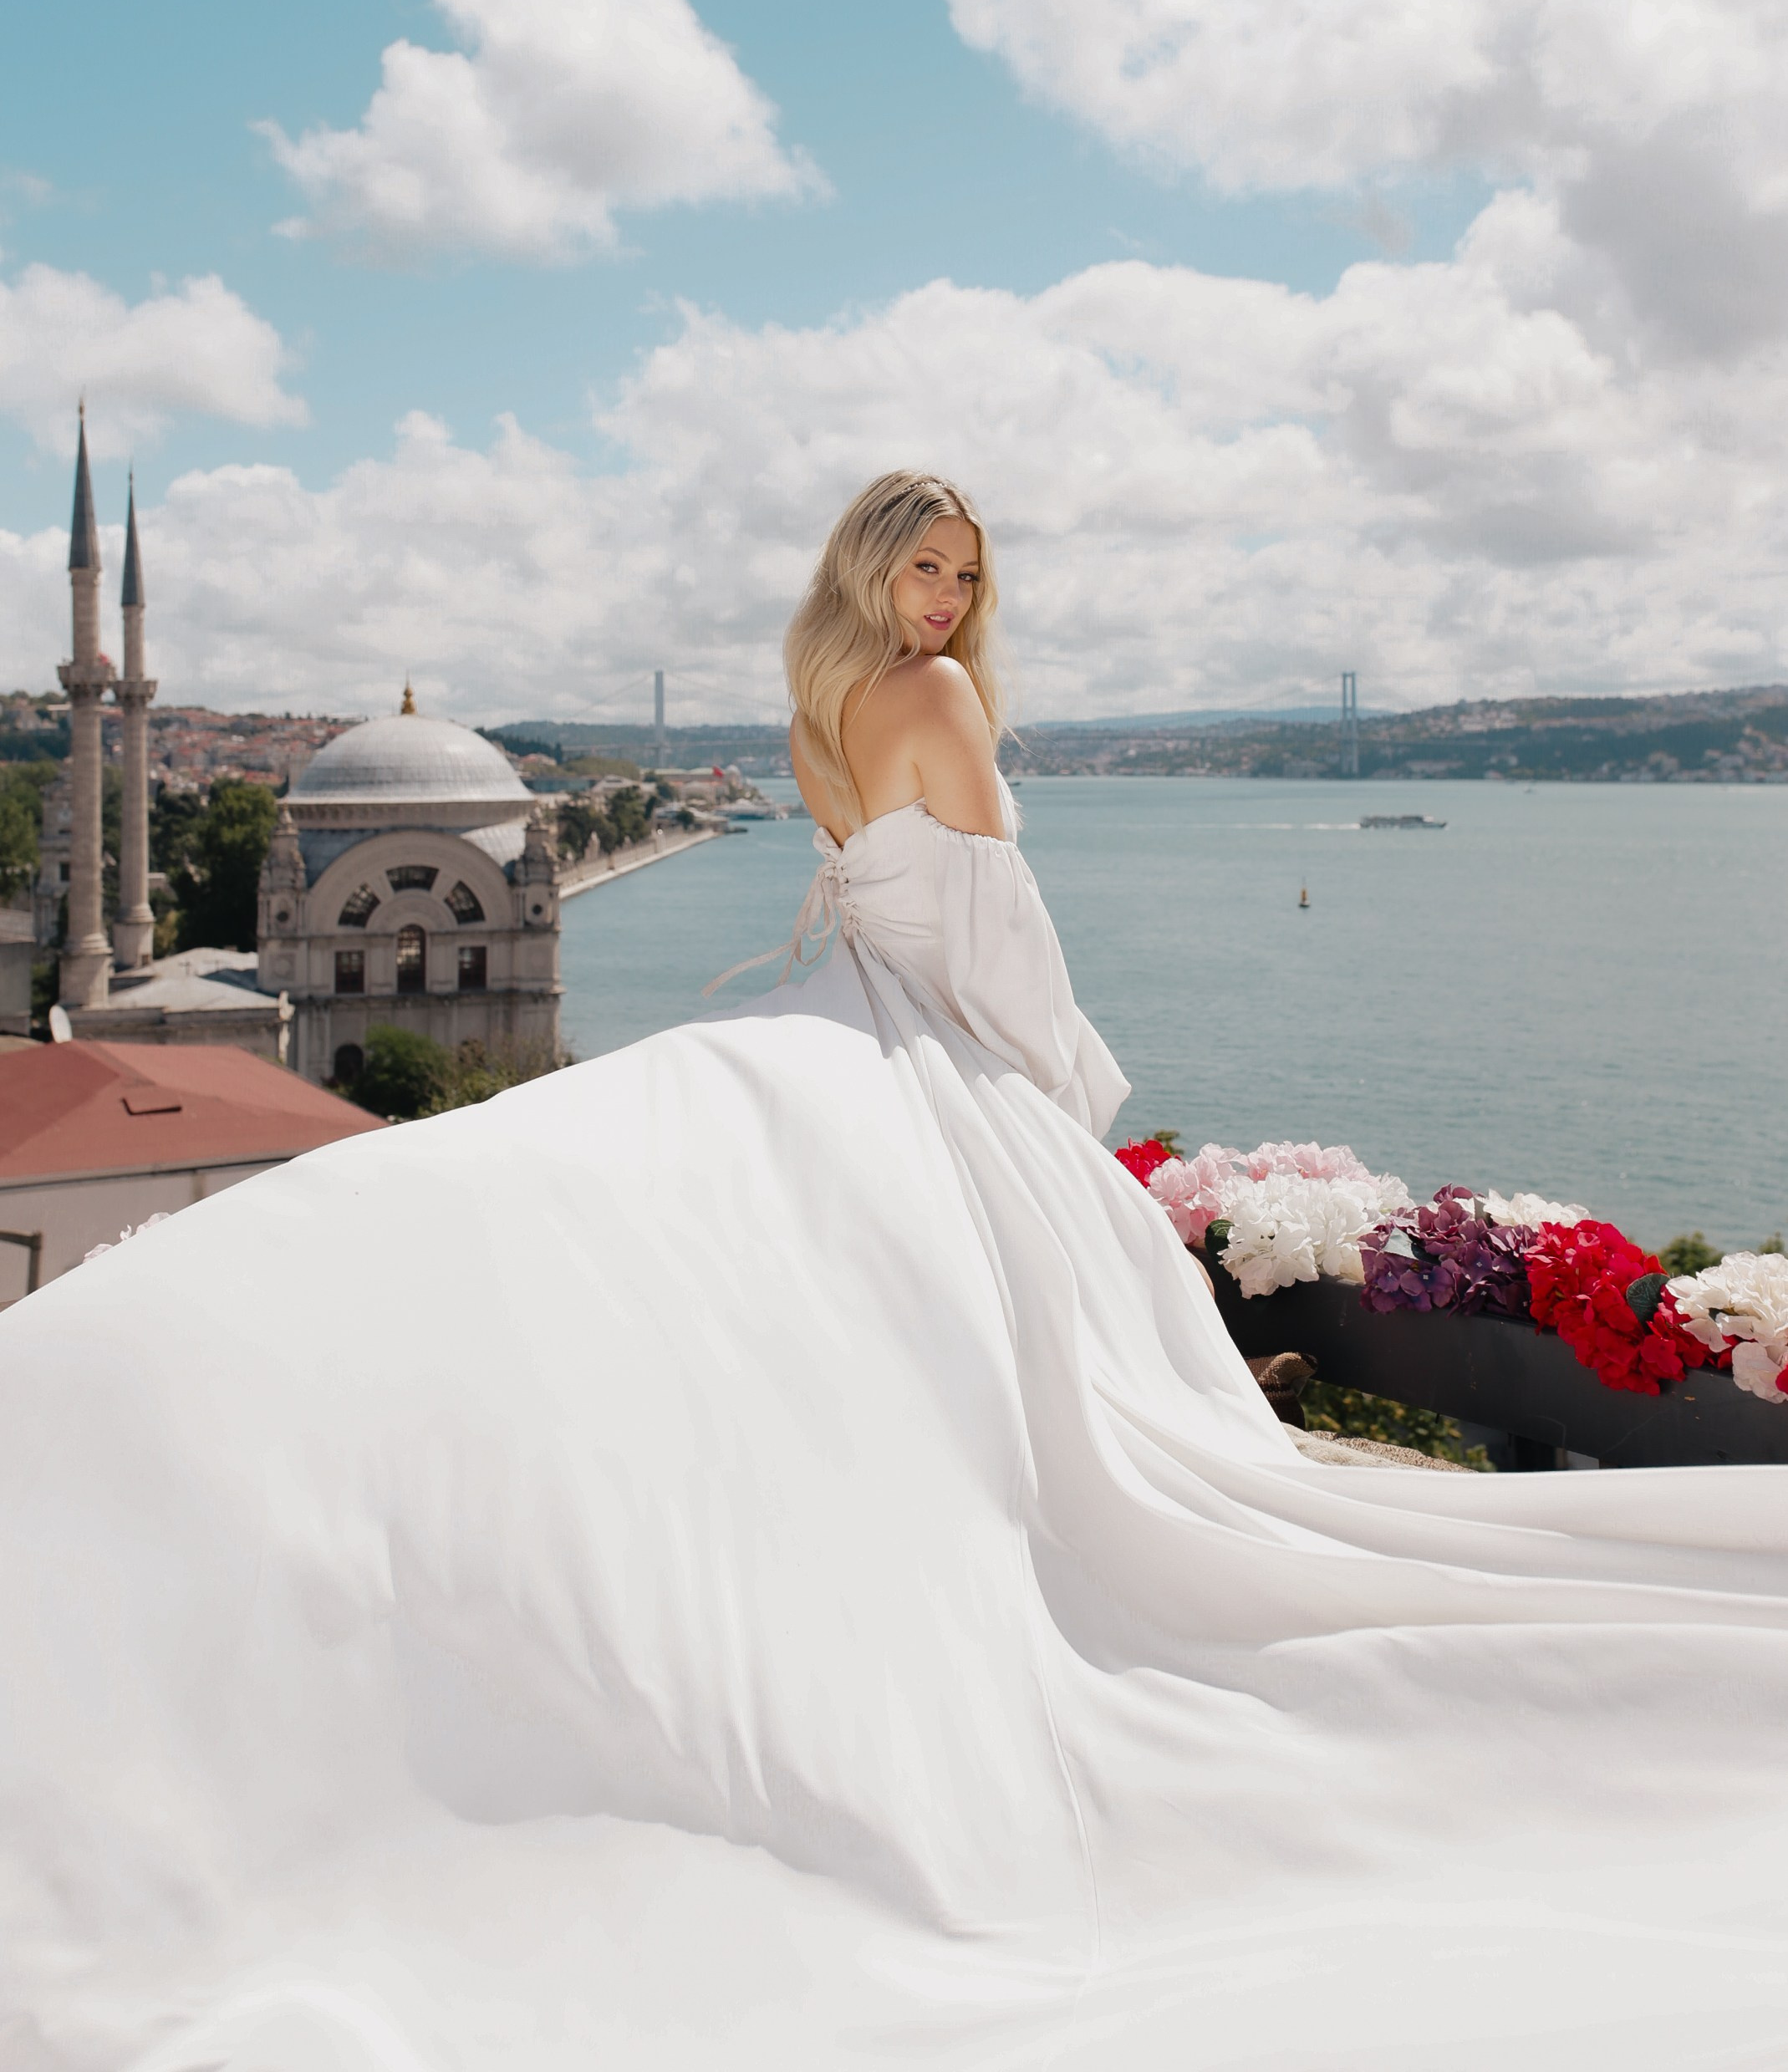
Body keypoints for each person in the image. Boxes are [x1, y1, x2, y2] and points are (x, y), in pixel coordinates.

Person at [1, 471, 1785, 2072]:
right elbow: (1003, 944)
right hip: (941, 1054)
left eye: (963, 573)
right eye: (924, 566)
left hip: (831, 1017)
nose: (945, 599)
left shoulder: (813, 717)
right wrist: (1072, 1096)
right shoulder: (932, 699)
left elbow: (865, 897)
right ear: (877, 569)